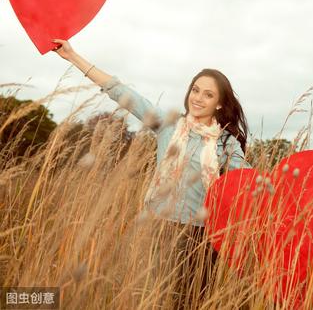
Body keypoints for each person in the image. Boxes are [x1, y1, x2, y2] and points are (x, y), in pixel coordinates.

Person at [52, 38, 250, 307]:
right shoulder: (169, 125)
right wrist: (73, 56)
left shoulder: (226, 143)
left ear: (219, 103)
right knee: (152, 299)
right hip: (158, 228)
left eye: (208, 94)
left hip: (200, 237)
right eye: (195, 90)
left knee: (191, 303)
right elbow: (122, 93)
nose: (198, 98)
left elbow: (250, 183)